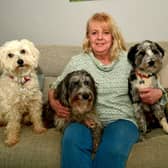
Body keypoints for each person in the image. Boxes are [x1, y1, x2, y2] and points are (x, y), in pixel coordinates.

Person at [48, 12, 164, 168]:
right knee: (72, 139)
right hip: (83, 120)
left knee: (113, 149)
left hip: (122, 120)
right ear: (88, 37)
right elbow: (54, 87)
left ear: (113, 36)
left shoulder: (129, 60)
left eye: (106, 33)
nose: (100, 37)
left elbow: (156, 85)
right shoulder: (77, 61)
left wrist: (158, 93)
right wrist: (54, 103)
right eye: (94, 33)